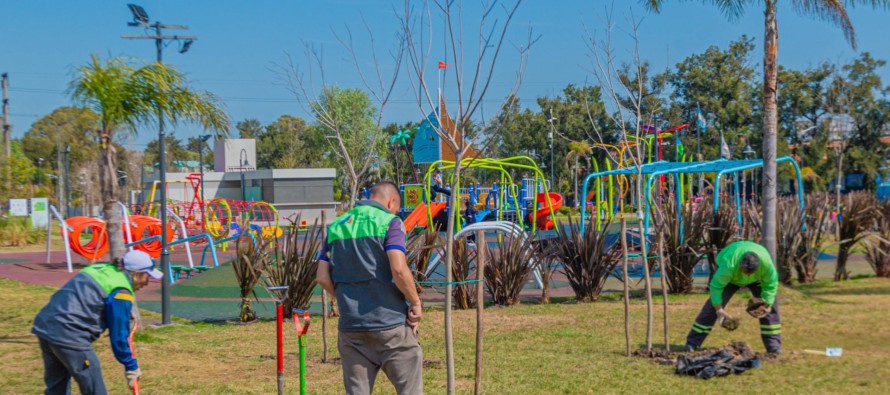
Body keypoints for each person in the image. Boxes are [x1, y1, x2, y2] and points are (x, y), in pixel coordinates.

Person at [317, 180, 424, 395]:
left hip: (351, 329)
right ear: (391, 202)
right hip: (390, 326)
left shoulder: (337, 226)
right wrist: (415, 302)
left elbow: (321, 276)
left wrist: (343, 297)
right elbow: (399, 270)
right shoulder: (390, 222)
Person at [32, 250, 163, 394]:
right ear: (136, 273)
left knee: (57, 388)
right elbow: (119, 336)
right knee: (95, 390)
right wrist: (131, 366)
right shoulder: (121, 291)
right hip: (70, 334)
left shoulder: (100, 269)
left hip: (45, 325)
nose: (147, 282)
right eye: (147, 276)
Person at [684, 240, 782, 354]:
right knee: (711, 308)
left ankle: (773, 346)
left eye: (751, 272)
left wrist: (768, 303)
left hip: (757, 279)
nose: (748, 275)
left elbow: (771, 285)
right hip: (731, 279)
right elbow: (716, 287)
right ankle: (692, 343)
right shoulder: (728, 265)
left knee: (771, 309)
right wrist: (719, 309)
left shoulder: (766, 265)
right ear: (740, 264)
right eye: (745, 271)